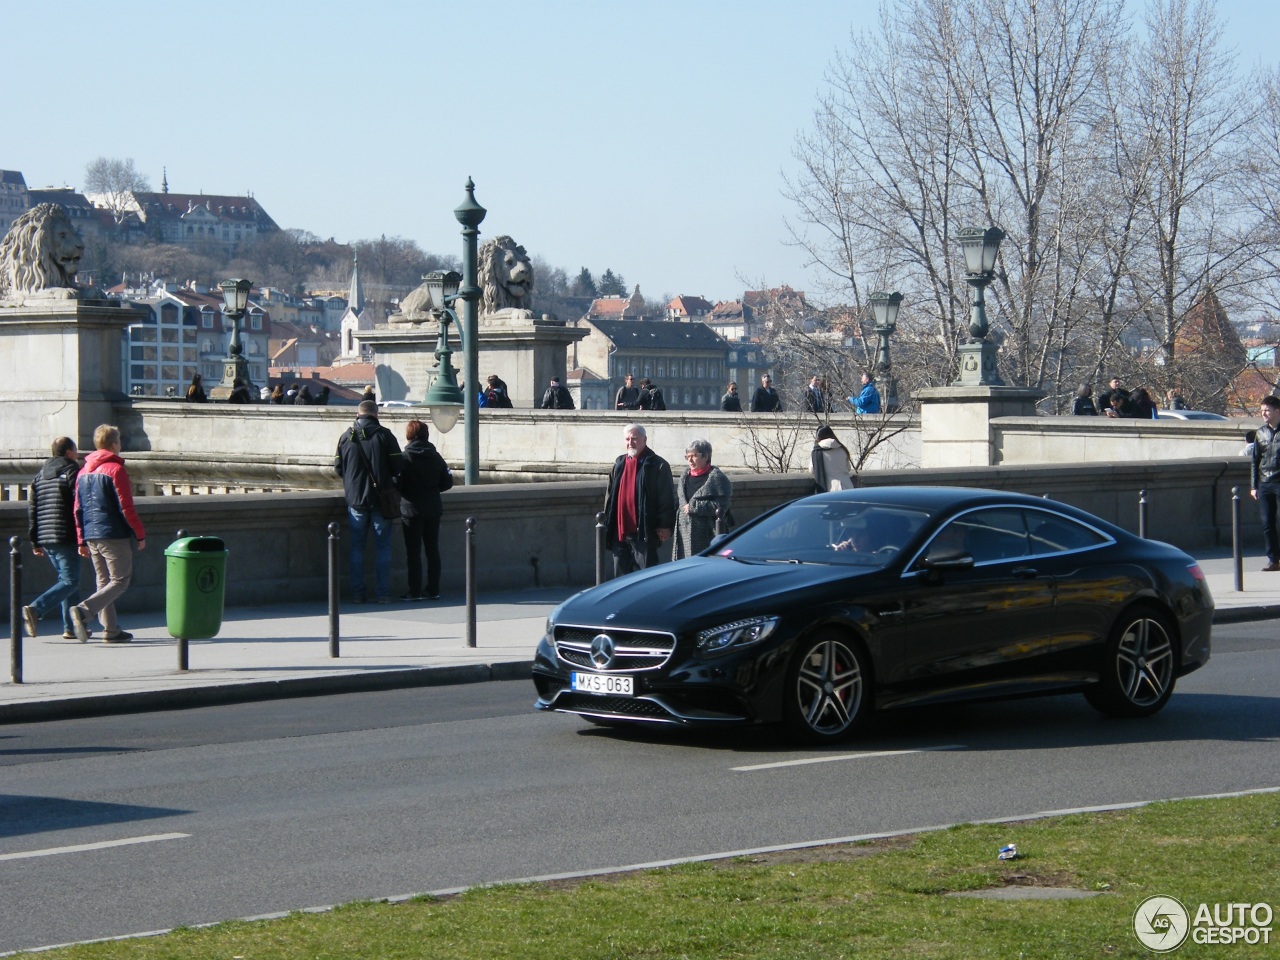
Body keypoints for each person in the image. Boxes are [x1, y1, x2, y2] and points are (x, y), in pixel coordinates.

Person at [70, 424, 146, 643]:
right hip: (113, 533)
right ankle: (84, 610)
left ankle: (111, 630)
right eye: (119, 441)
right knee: (120, 581)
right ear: (114, 444)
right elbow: (126, 507)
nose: (120, 445)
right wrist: (139, 534)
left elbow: (78, 508)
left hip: (92, 534)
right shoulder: (115, 469)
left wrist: (81, 539)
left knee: (104, 583)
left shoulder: (84, 472)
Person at [335, 399, 403, 603]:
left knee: (356, 548)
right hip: (381, 501)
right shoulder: (385, 436)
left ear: (358, 414)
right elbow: (398, 467)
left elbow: (338, 468)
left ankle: (358, 594)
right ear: (376, 414)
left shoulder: (346, 437)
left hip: (355, 500)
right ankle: (382, 594)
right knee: (383, 548)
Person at [22, 437, 84, 640]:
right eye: (75, 450)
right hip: (65, 533)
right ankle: (36, 609)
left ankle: (71, 627)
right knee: (70, 580)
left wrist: (35, 540)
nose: (77, 454)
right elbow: (78, 506)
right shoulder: (72, 471)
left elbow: (33, 509)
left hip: (46, 536)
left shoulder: (40, 475)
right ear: (68, 452)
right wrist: (83, 535)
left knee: (66, 580)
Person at [602, 423, 676, 576]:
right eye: (627, 439)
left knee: (647, 577)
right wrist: (606, 521)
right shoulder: (619, 463)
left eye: (634, 439)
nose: (630, 443)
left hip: (644, 531)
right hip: (620, 531)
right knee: (620, 579)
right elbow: (610, 496)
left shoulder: (658, 465)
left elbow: (666, 498)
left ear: (645, 439)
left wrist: (665, 525)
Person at [397, 419, 453, 601]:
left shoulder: (404, 458)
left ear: (409, 436)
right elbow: (447, 482)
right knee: (432, 550)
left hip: (411, 509)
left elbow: (398, 484)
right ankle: (433, 589)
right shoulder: (436, 457)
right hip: (433, 508)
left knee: (413, 552)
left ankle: (414, 590)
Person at [673, 439, 732, 560]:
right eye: (687, 456)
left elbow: (722, 506)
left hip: (707, 534)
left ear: (706, 456)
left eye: (694, 456)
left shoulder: (717, 478)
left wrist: (695, 507)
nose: (690, 460)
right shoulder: (684, 477)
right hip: (683, 533)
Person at [1250, 395, 1280, 572]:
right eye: (1262, 411)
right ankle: (1273, 559)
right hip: (1265, 483)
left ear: (1277, 411)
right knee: (1267, 522)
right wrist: (1254, 485)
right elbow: (1255, 460)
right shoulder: (1261, 433)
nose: (1263, 414)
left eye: (1267, 410)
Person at [811, 425, 855, 493]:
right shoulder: (842, 449)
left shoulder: (817, 451)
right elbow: (848, 468)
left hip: (830, 489)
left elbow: (812, 469)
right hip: (847, 487)